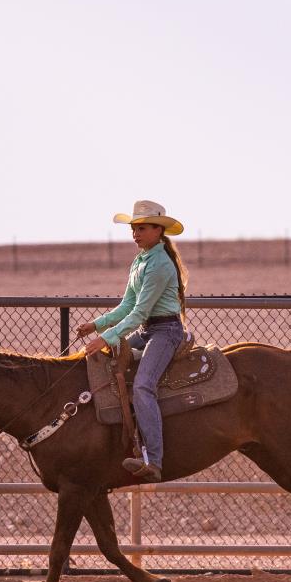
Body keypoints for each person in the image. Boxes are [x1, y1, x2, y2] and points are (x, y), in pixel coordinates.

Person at [73, 200, 190, 482]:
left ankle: (154, 460)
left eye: (142, 228)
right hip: (149, 330)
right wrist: (96, 324)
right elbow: (127, 305)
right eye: (133, 228)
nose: (135, 233)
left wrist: (105, 338)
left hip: (165, 332)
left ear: (158, 231)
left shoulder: (160, 264)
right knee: (102, 363)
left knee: (143, 386)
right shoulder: (141, 261)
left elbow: (139, 313)